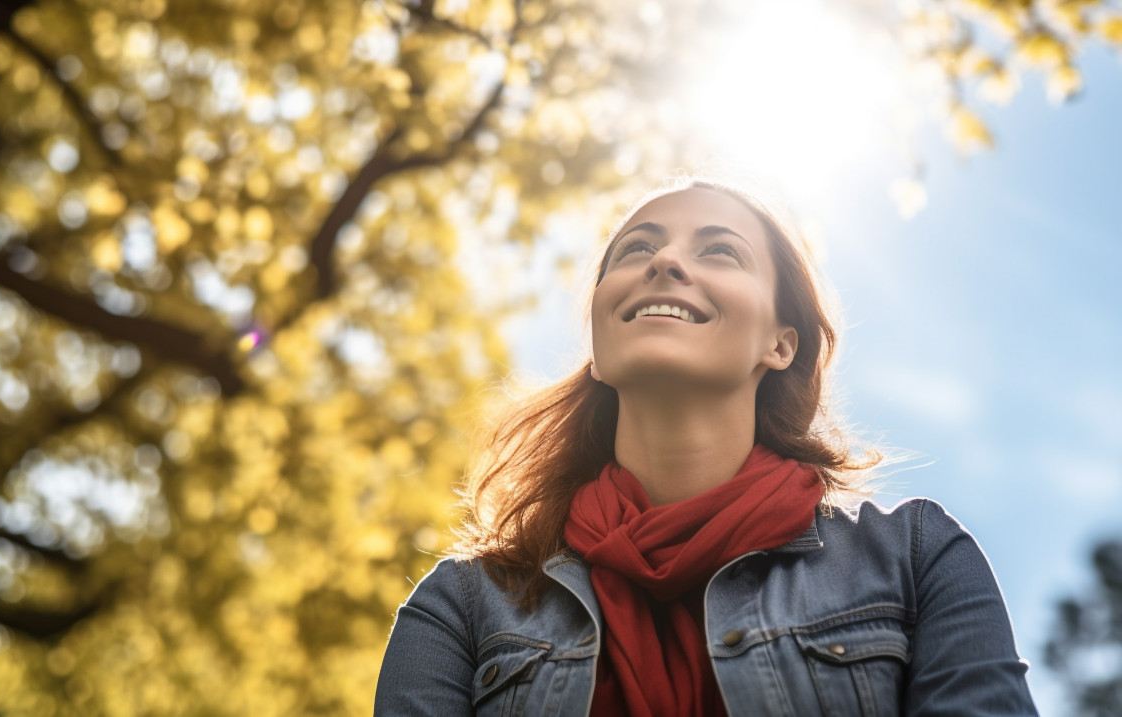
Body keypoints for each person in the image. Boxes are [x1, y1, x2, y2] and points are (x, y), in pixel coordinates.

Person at [374, 177, 1038, 716]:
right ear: (600, 349)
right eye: (636, 249)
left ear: (780, 343)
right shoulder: (462, 604)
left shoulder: (915, 561)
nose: (664, 261)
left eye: (718, 250)